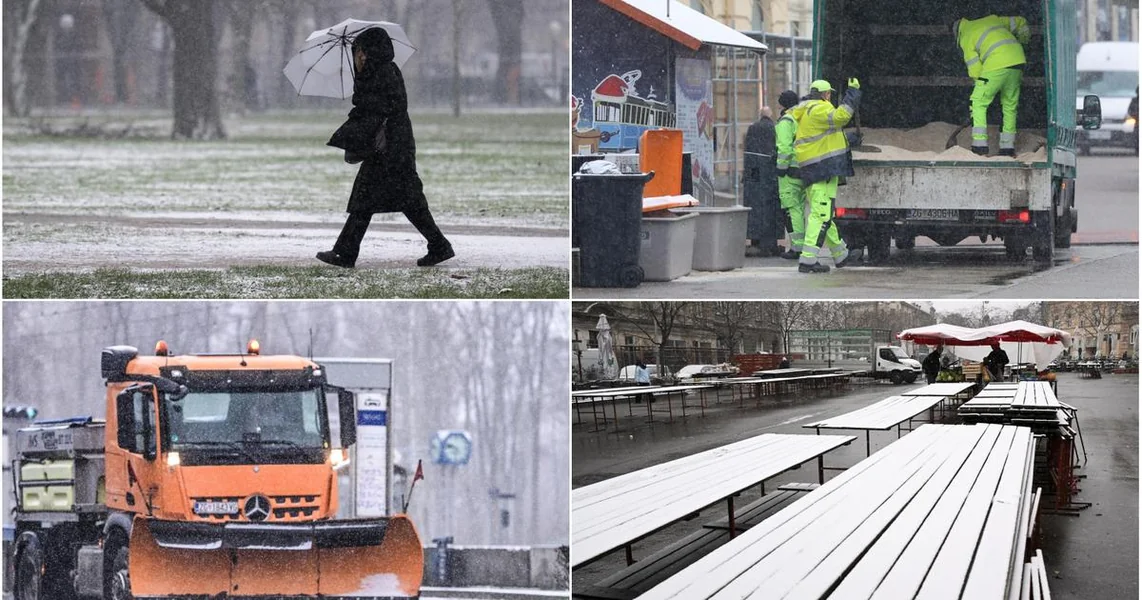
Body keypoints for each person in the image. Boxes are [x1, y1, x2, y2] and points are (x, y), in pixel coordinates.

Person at [320, 27, 454, 268]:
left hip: (392, 148)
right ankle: (437, 245)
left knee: (395, 200)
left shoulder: (384, 71)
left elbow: (386, 106)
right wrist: (361, 83)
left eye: (362, 51)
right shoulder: (374, 72)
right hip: (387, 147)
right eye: (356, 52)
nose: (359, 56)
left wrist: (360, 101)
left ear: (372, 50)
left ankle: (347, 253)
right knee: (381, 200)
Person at [789, 79, 864, 273]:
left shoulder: (808, 111)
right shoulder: (819, 109)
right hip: (822, 170)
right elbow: (842, 116)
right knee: (820, 215)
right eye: (829, 94)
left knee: (825, 214)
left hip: (815, 169)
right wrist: (853, 93)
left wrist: (847, 140)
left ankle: (841, 254)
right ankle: (808, 260)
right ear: (825, 94)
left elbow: (824, 138)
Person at [953, 15, 1030, 156]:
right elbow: (1021, 21)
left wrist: (981, 87)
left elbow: (975, 68)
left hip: (996, 63)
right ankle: (1007, 148)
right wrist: (1023, 42)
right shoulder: (992, 19)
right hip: (1018, 60)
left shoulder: (966, 36)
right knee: (1009, 105)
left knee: (978, 102)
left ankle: (979, 146)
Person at [743, 107, 781, 256]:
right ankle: (770, 243)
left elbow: (748, 150)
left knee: (755, 206)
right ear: (770, 115)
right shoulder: (775, 129)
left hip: (754, 173)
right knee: (771, 208)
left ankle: (755, 241)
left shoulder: (752, 128)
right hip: (770, 174)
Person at [774, 90, 805, 259]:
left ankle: (797, 248)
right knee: (800, 209)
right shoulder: (801, 117)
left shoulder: (786, 120)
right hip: (804, 169)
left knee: (792, 210)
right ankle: (802, 246)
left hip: (789, 173)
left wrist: (780, 168)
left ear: (783, 104)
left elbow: (784, 149)